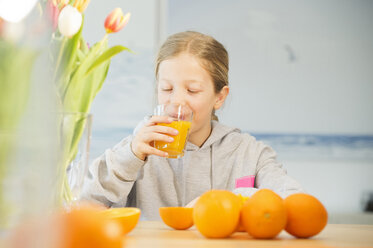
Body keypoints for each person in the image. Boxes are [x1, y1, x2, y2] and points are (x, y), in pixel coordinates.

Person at [81, 31, 304, 220]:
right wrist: (130, 157)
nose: (176, 101)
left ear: (219, 97)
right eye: (167, 89)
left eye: (192, 90)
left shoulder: (249, 153)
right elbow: (83, 207)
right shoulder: (138, 148)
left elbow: (296, 203)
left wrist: (228, 200)